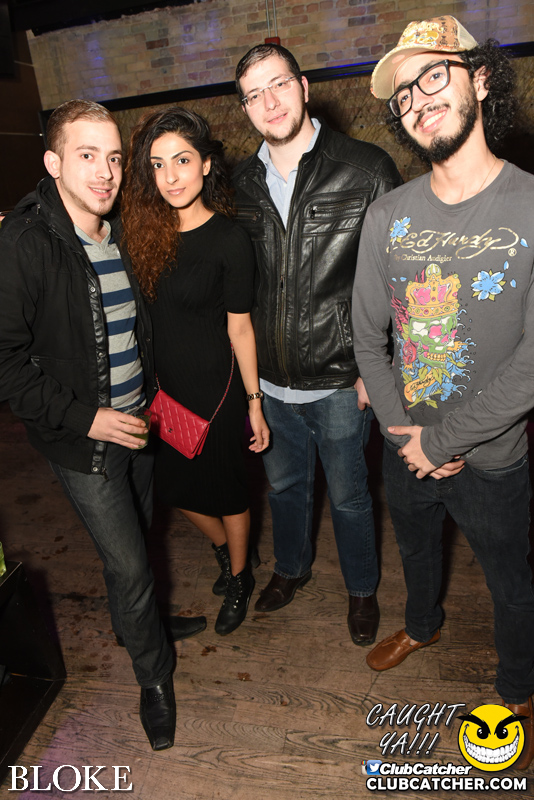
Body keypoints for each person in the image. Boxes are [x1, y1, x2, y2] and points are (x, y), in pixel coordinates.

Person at [352, 16, 534, 768]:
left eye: (434, 75)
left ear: (480, 79)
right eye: (403, 93)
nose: (418, 99)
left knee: (512, 583)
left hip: (492, 458)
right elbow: (367, 338)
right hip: (405, 445)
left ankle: (518, 688)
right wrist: (407, 437)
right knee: (416, 549)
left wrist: (444, 441)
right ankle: (422, 626)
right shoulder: (388, 216)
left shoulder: (530, 206)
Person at [0, 99, 209, 752]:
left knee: (141, 542)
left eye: (114, 157)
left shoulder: (118, 231)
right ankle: (153, 677)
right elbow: (5, 365)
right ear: (52, 162)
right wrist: (89, 418)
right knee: (129, 564)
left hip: (139, 422)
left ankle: (137, 626)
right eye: (87, 155)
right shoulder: (25, 243)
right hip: (82, 441)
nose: (105, 172)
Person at [232, 44, 402, 645]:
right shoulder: (238, 183)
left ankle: (362, 589)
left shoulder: (366, 168)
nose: (269, 101)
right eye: (254, 94)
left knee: (352, 497)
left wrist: (375, 369)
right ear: (246, 108)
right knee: (284, 488)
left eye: (278, 84)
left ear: (304, 87)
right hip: (269, 381)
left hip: (340, 380)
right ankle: (292, 568)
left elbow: (398, 277)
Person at [121, 107, 270, 637]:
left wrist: (254, 403)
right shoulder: (143, 234)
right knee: (177, 491)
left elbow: (241, 328)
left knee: (228, 493)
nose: (170, 176)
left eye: (182, 160)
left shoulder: (229, 239)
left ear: (206, 164)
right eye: (158, 165)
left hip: (218, 389)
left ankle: (239, 577)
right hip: (165, 392)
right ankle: (229, 552)